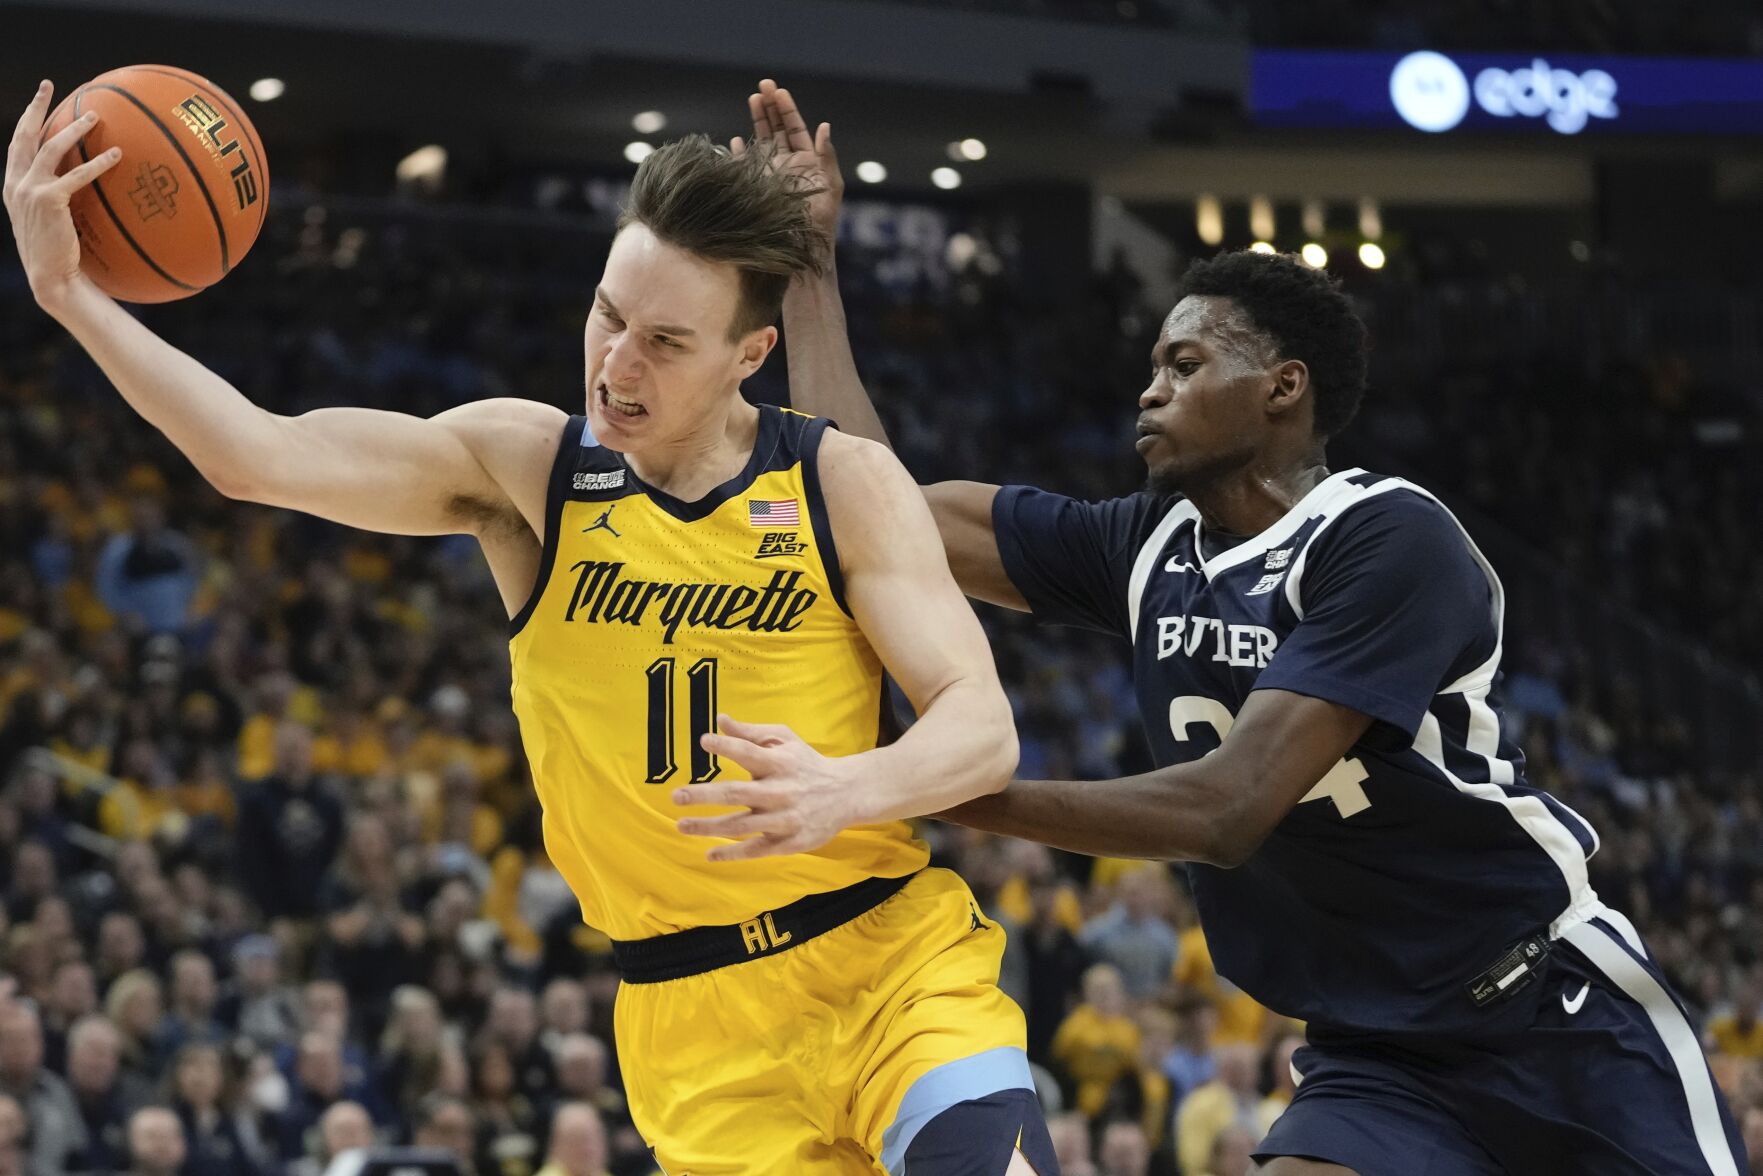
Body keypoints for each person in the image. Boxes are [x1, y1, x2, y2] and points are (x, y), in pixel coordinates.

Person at [5, 82, 1047, 1174]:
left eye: (664, 340)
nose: (615, 362)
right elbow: (256, 456)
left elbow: (979, 726)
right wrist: (73, 297)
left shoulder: (841, 480)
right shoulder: (532, 473)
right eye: (607, 315)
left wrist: (850, 789)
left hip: (889, 967)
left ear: (749, 354)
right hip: (689, 1028)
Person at [755, 78, 1750, 1175]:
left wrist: (921, 785)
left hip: (1551, 1020)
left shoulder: (1385, 537)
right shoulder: (1141, 544)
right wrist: (806, 266)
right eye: (1149, 369)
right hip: (1379, 1055)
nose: (1148, 392)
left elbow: (1225, 809)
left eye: (1183, 366)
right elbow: (865, 509)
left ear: (1282, 388)